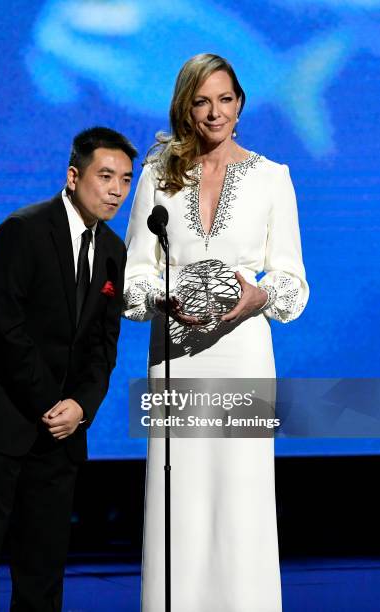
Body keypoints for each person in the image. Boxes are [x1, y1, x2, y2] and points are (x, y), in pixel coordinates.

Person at [123, 54, 309, 611]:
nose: (214, 113)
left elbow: (294, 284)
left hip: (244, 358)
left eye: (225, 99)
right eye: (202, 101)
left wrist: (260, 296)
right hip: (176, 362)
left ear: (240, 104)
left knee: (241, 504)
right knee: (179, 503)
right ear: (185, 107)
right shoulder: (158, 177)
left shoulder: (273, 178)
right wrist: (164, 297)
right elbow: (133, 281)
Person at [0, 126, 137, 611]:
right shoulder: (21, 231)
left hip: (62, 431)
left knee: (44, 562)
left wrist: (81, 407)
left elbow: (103, 348)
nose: (116, 189)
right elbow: (4, 330)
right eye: (105, 175)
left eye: (126, 179)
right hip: (0, 417)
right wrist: (50, 403)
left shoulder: (114, 252)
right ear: (73, 176)